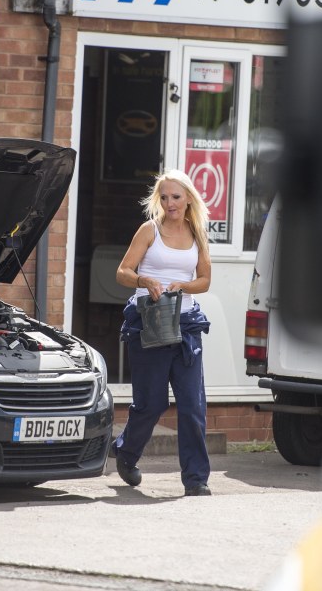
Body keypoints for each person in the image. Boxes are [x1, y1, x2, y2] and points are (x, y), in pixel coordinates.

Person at [112, 169, 213, 496]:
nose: (170, 203)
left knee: (192, 405)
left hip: (185, 326)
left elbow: (204, 281)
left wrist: (183, 285)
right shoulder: (149, 230)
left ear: (188, 200)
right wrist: (146, 281)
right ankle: (126, 453)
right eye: (164, 197)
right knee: (151, 404)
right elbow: (123, 272)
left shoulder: (197, 233)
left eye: (176, 197)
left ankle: (196, 480)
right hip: (149, 323)